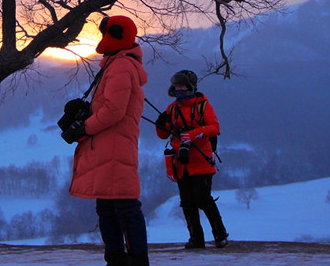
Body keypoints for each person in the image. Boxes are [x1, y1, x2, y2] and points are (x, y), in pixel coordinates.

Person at [62, 15, 150, 266]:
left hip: (113, 147)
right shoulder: (117, 64)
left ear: (116, 35)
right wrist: (85, 109)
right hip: (110, 147)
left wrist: (83, 129)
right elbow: (112, 105)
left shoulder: (121, 66)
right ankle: (119, 259)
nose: (102, 39)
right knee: (110, 208)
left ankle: (131, 261)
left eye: (105, 34)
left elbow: (114, 111)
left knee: (124, 208)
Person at [155, 70, 229, 249]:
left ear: (191, 87)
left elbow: (214, 127)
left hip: (201, 160)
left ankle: (219, 234)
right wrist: (161, 123)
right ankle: (196, 238)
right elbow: (163, 135)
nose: (179, 89)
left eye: (183, 86)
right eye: (177, 86)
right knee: (187, 202)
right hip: (181, 162)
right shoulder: (172, 109)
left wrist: (193, 134)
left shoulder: (203, 106)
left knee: (203, 199)